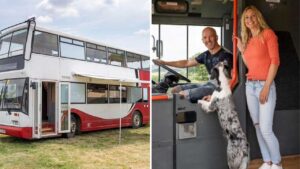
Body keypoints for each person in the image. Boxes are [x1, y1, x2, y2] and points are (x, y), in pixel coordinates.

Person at [234, 5, 282, 169]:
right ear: (244, 22)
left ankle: (277, 163)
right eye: (246, 18)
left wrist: (267, 87)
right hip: (250, 86)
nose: (250, 20)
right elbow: (251, 65)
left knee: (266, 129)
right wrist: (241, 50)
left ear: (258, 17)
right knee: (257, 127)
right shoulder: (248, 40)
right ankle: (267, 161)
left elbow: (275, 62)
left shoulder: (268, 34)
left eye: (253, 16)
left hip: (265, 85)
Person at [153, 27, 233, 103]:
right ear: (202, 40)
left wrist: (216, 95)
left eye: (211, 37)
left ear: (216, 37)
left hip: (219, 88)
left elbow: (231, 81)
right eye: (205, 38)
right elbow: (186, 63)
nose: (208, 40)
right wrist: (164, 62)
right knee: (176, 89)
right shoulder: (206, 55)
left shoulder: (226, 55)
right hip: (209, 84)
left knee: (181, 94)